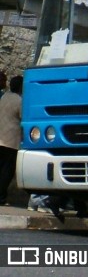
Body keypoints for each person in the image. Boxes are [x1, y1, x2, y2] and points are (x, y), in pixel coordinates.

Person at [0, 75, 23, 205]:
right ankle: (1, 197)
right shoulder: (19, 101)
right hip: (11, 141)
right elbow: (23, 118)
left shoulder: (4, 97)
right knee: (7, 172)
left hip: (1, 138)